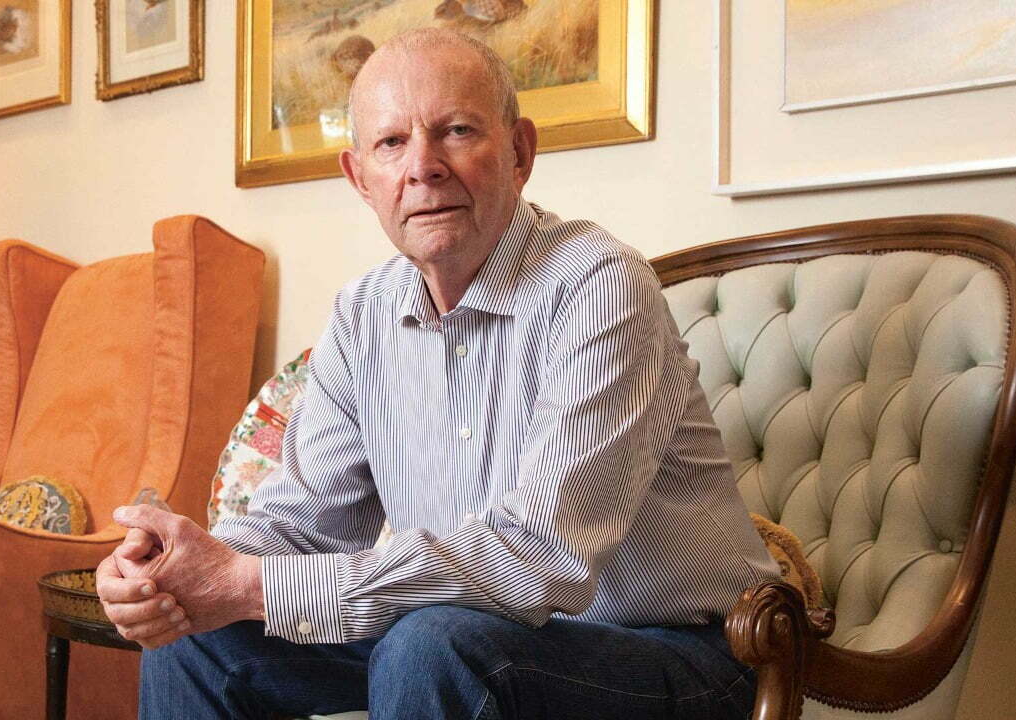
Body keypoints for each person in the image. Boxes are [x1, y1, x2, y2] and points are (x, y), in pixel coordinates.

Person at [97, 27, 779, 720]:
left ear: (520, 152)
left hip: (684, 654)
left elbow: (542, 558)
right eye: (392, 143)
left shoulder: (600, 286)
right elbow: (300, 524)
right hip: (468, 637)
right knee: (197, 637)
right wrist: (177, 571)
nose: (423, 167)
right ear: (360, 178)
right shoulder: (362, 316)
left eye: (456, 131)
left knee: (430, 645)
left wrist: (248, 586)